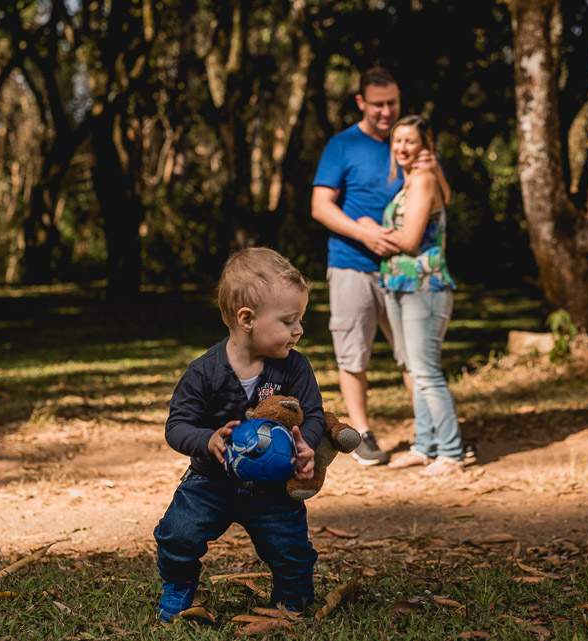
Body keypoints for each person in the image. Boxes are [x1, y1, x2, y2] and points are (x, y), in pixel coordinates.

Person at [153, 248, 322, 621]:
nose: (299, 330)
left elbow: (312, 415)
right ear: (247, 319)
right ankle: (179, 585)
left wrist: (304, 442)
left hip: (274, 486)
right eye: (289, 320)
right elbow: (177, 426)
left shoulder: (295, 368)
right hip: (211, 481)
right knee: (177, 533)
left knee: (291, 547)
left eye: (300, 320)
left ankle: (292, 598)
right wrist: (207, 440)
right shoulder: (203, 372)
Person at [311, 66, 449, 466]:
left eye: (392, 103)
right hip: (352, 263)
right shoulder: (342, 145)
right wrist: (364, 234)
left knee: (413, 357)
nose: (386, 111)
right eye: (377, 104)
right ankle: (363, 435)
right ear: (361, 103)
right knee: (353, 353)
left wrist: (433, 164)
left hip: (405, 270)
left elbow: (440, 199)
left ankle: (432, 437)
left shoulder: (409, 143)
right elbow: (321, 206)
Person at [371, 115, 464, 476]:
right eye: (397, 141)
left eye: (410, 141)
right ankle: (425, 446)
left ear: (426, 145)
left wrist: (369, 232)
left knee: (426, 372)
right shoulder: (409, 182)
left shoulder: (424, 179)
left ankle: (451, 453)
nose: (401, 148)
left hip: (424, 287)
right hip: (399, 285)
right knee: (413, 368)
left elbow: (410, 241)